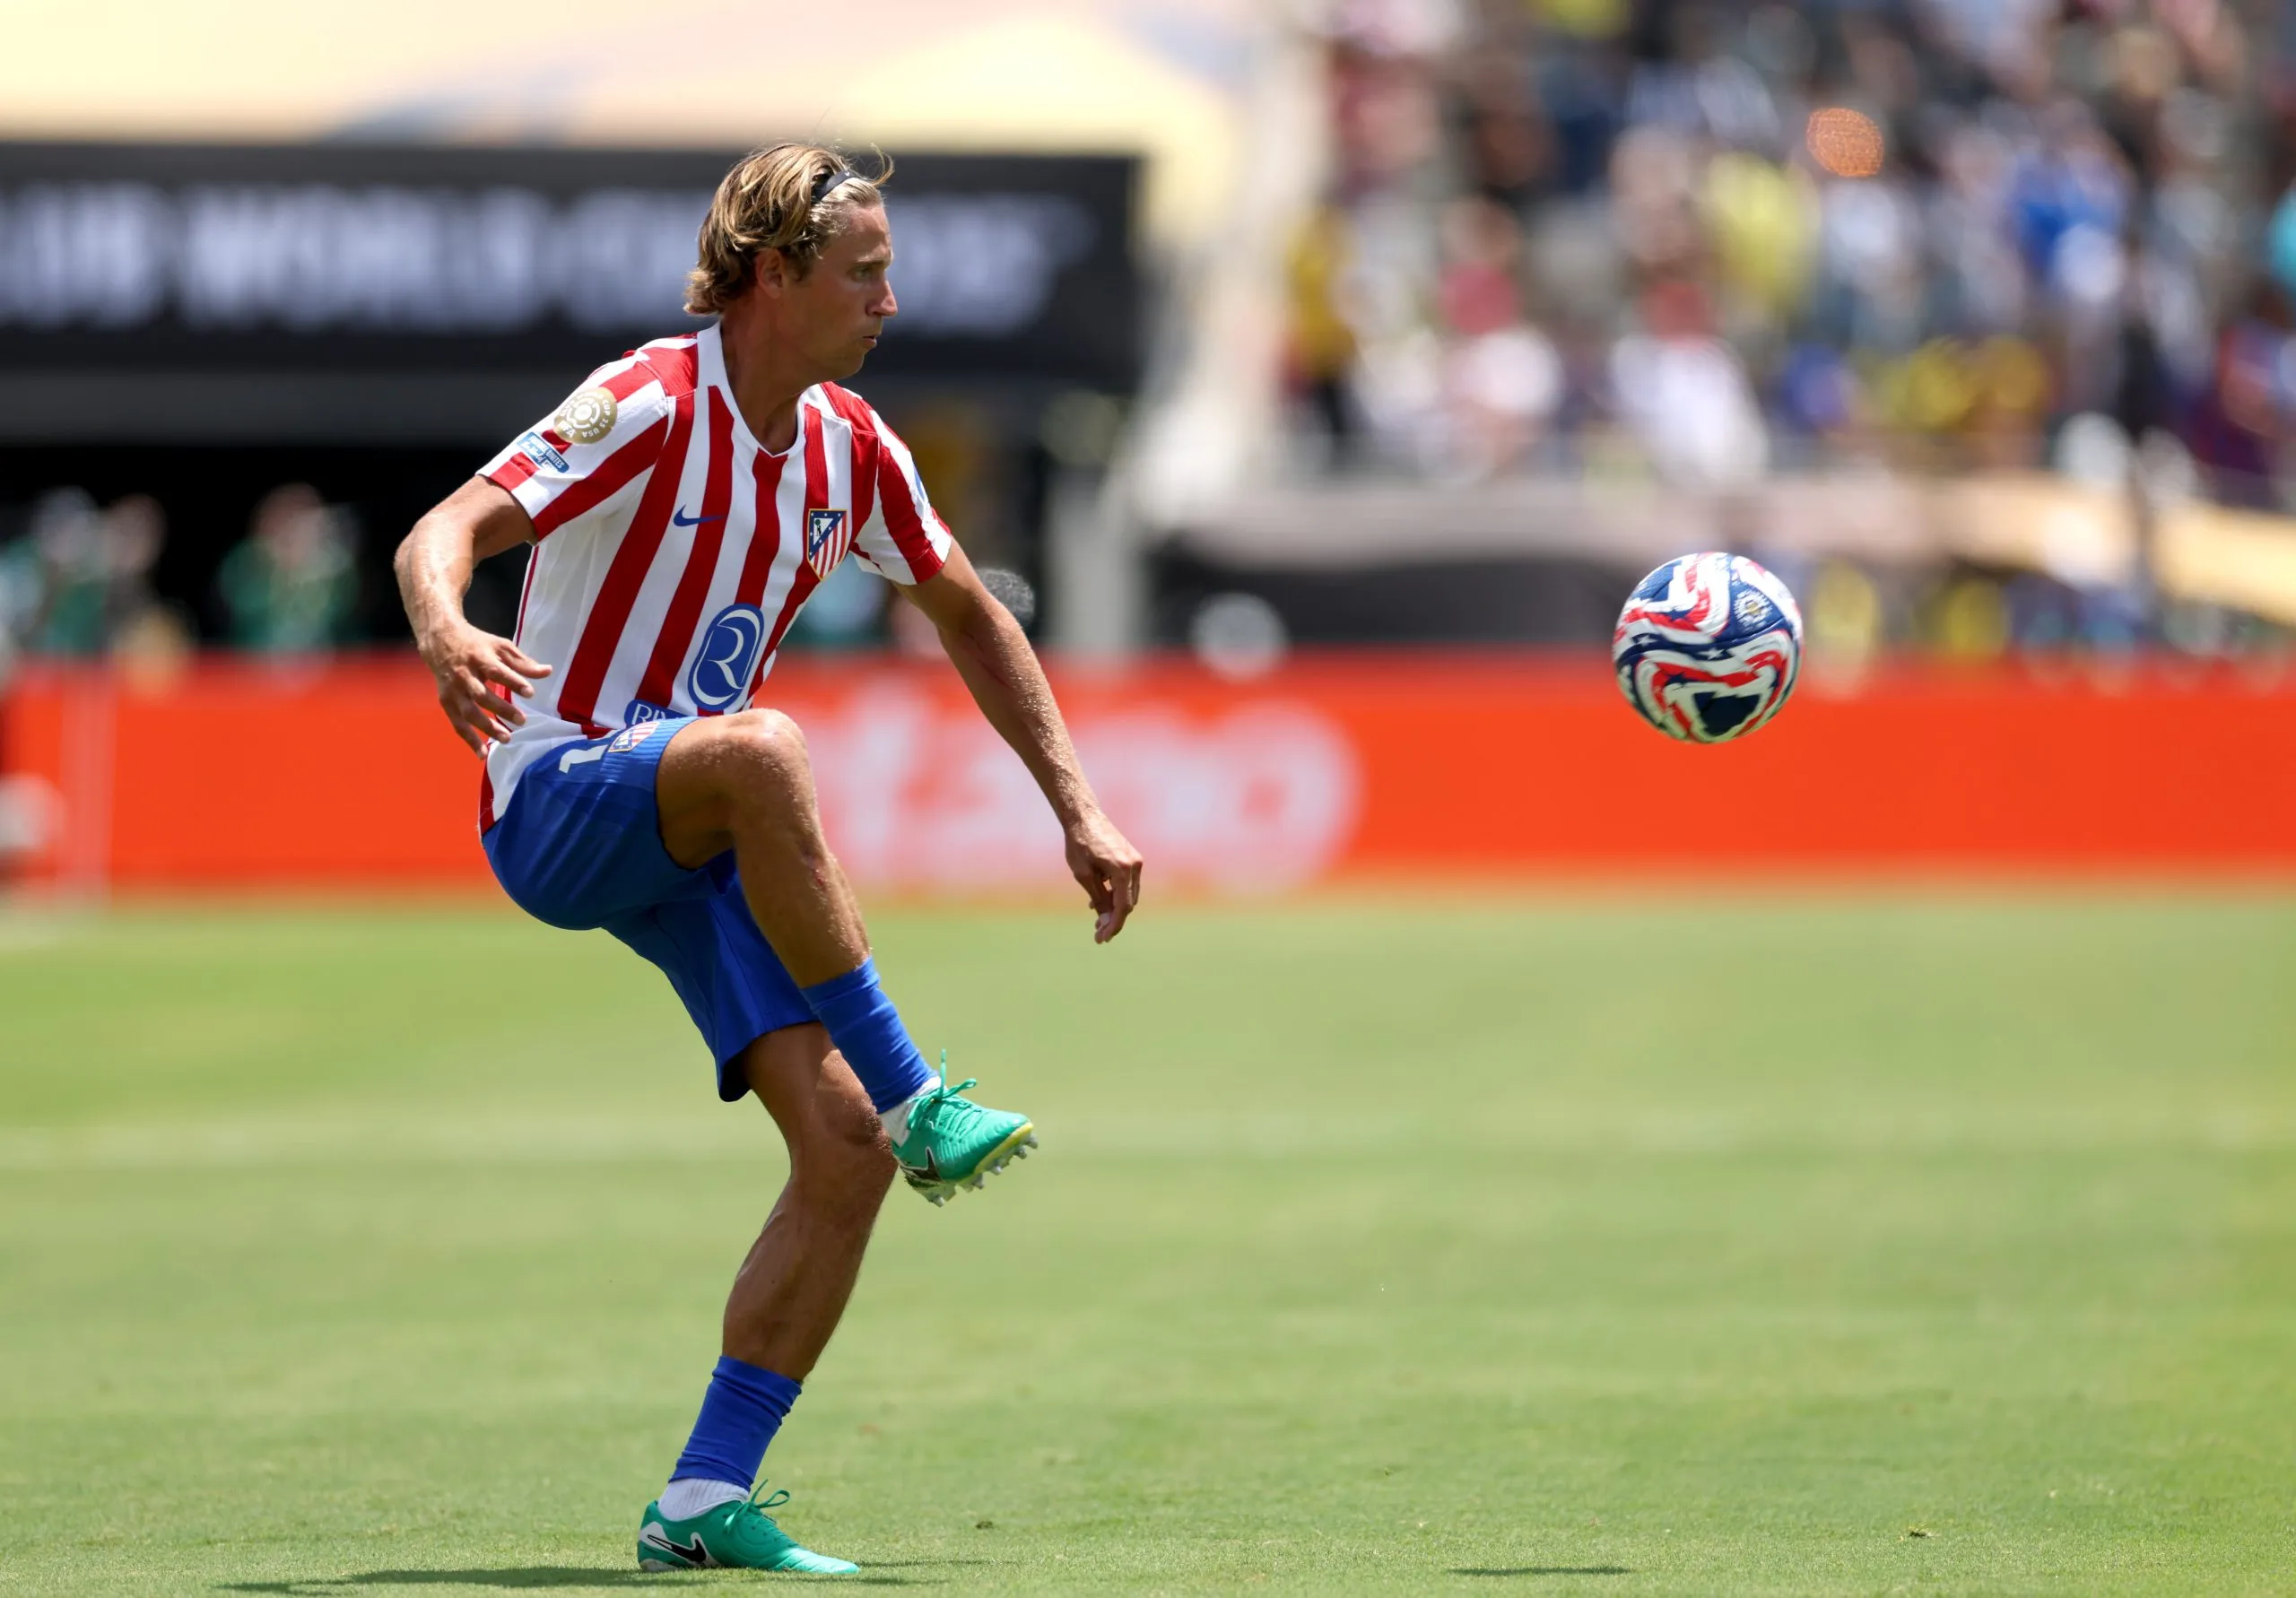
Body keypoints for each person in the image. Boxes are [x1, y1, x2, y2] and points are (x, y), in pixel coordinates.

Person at [392, 143, 1144, 1576]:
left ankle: (702, 1495)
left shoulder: (854, 447)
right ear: (774, 274)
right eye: (864, 272)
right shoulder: (648, 401)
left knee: (840, 1152)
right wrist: (446, 627)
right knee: (766, 750)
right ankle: (926, 1091)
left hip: (695, 826)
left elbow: (970, 611)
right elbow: (450, 528)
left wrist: (1078, 803)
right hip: (557, 800)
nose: (891, 299)